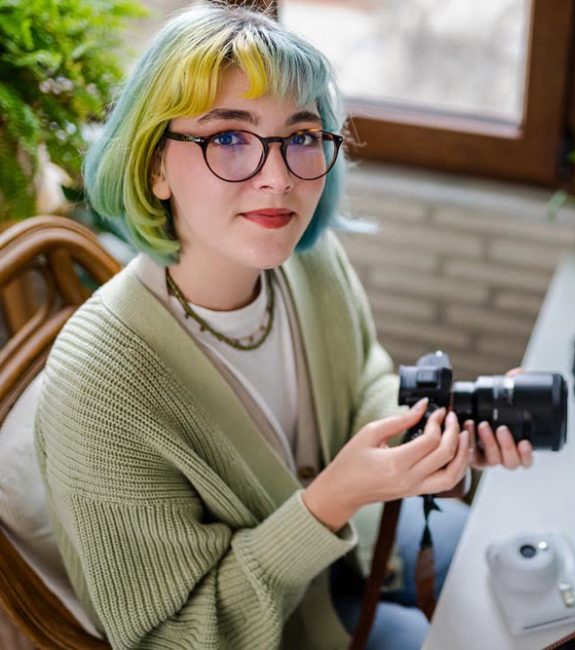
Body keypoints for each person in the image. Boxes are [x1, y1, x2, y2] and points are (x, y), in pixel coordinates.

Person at [34, 4, 533, 649]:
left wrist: (436, 434)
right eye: (229, 138)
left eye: (300, 138)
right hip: (285, 626)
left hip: (356, 541)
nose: (278, 180)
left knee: (509, 562)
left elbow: (364, 377)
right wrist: (326, 502)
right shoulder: (100, 389)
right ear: (156, 165)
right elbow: (174, 638)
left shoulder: (308, 260)